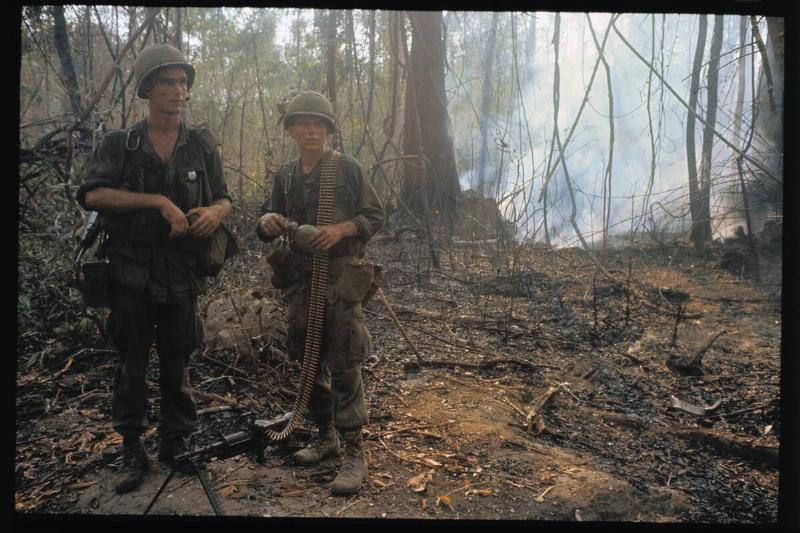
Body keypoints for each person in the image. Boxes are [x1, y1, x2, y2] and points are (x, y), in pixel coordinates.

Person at [77, 43, 233, 494]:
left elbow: (224, 196)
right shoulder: (119, 144)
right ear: (148, 88)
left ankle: (175, 443)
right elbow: (93, 195)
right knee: (131, 364)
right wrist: (157, 201)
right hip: (130, 273)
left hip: (182, 272)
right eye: (168, 82)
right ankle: (131, 447)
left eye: (183, 81)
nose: (179, 90)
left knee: (177, 360)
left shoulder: (201, 145)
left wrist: (216, 214)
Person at [256, 90, 385, 495]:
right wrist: (269, 220)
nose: (311, 131)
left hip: (341, 276)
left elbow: (375, 214)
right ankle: (325, 435)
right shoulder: (286, 175)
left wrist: (339, 230)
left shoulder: (346, 168)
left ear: (328, 129)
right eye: (303, 124)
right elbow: (265, 220)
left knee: (345, 358)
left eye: (318, 124)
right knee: (306, 357)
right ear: (291, 130)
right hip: (300, 279)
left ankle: (353, 452)